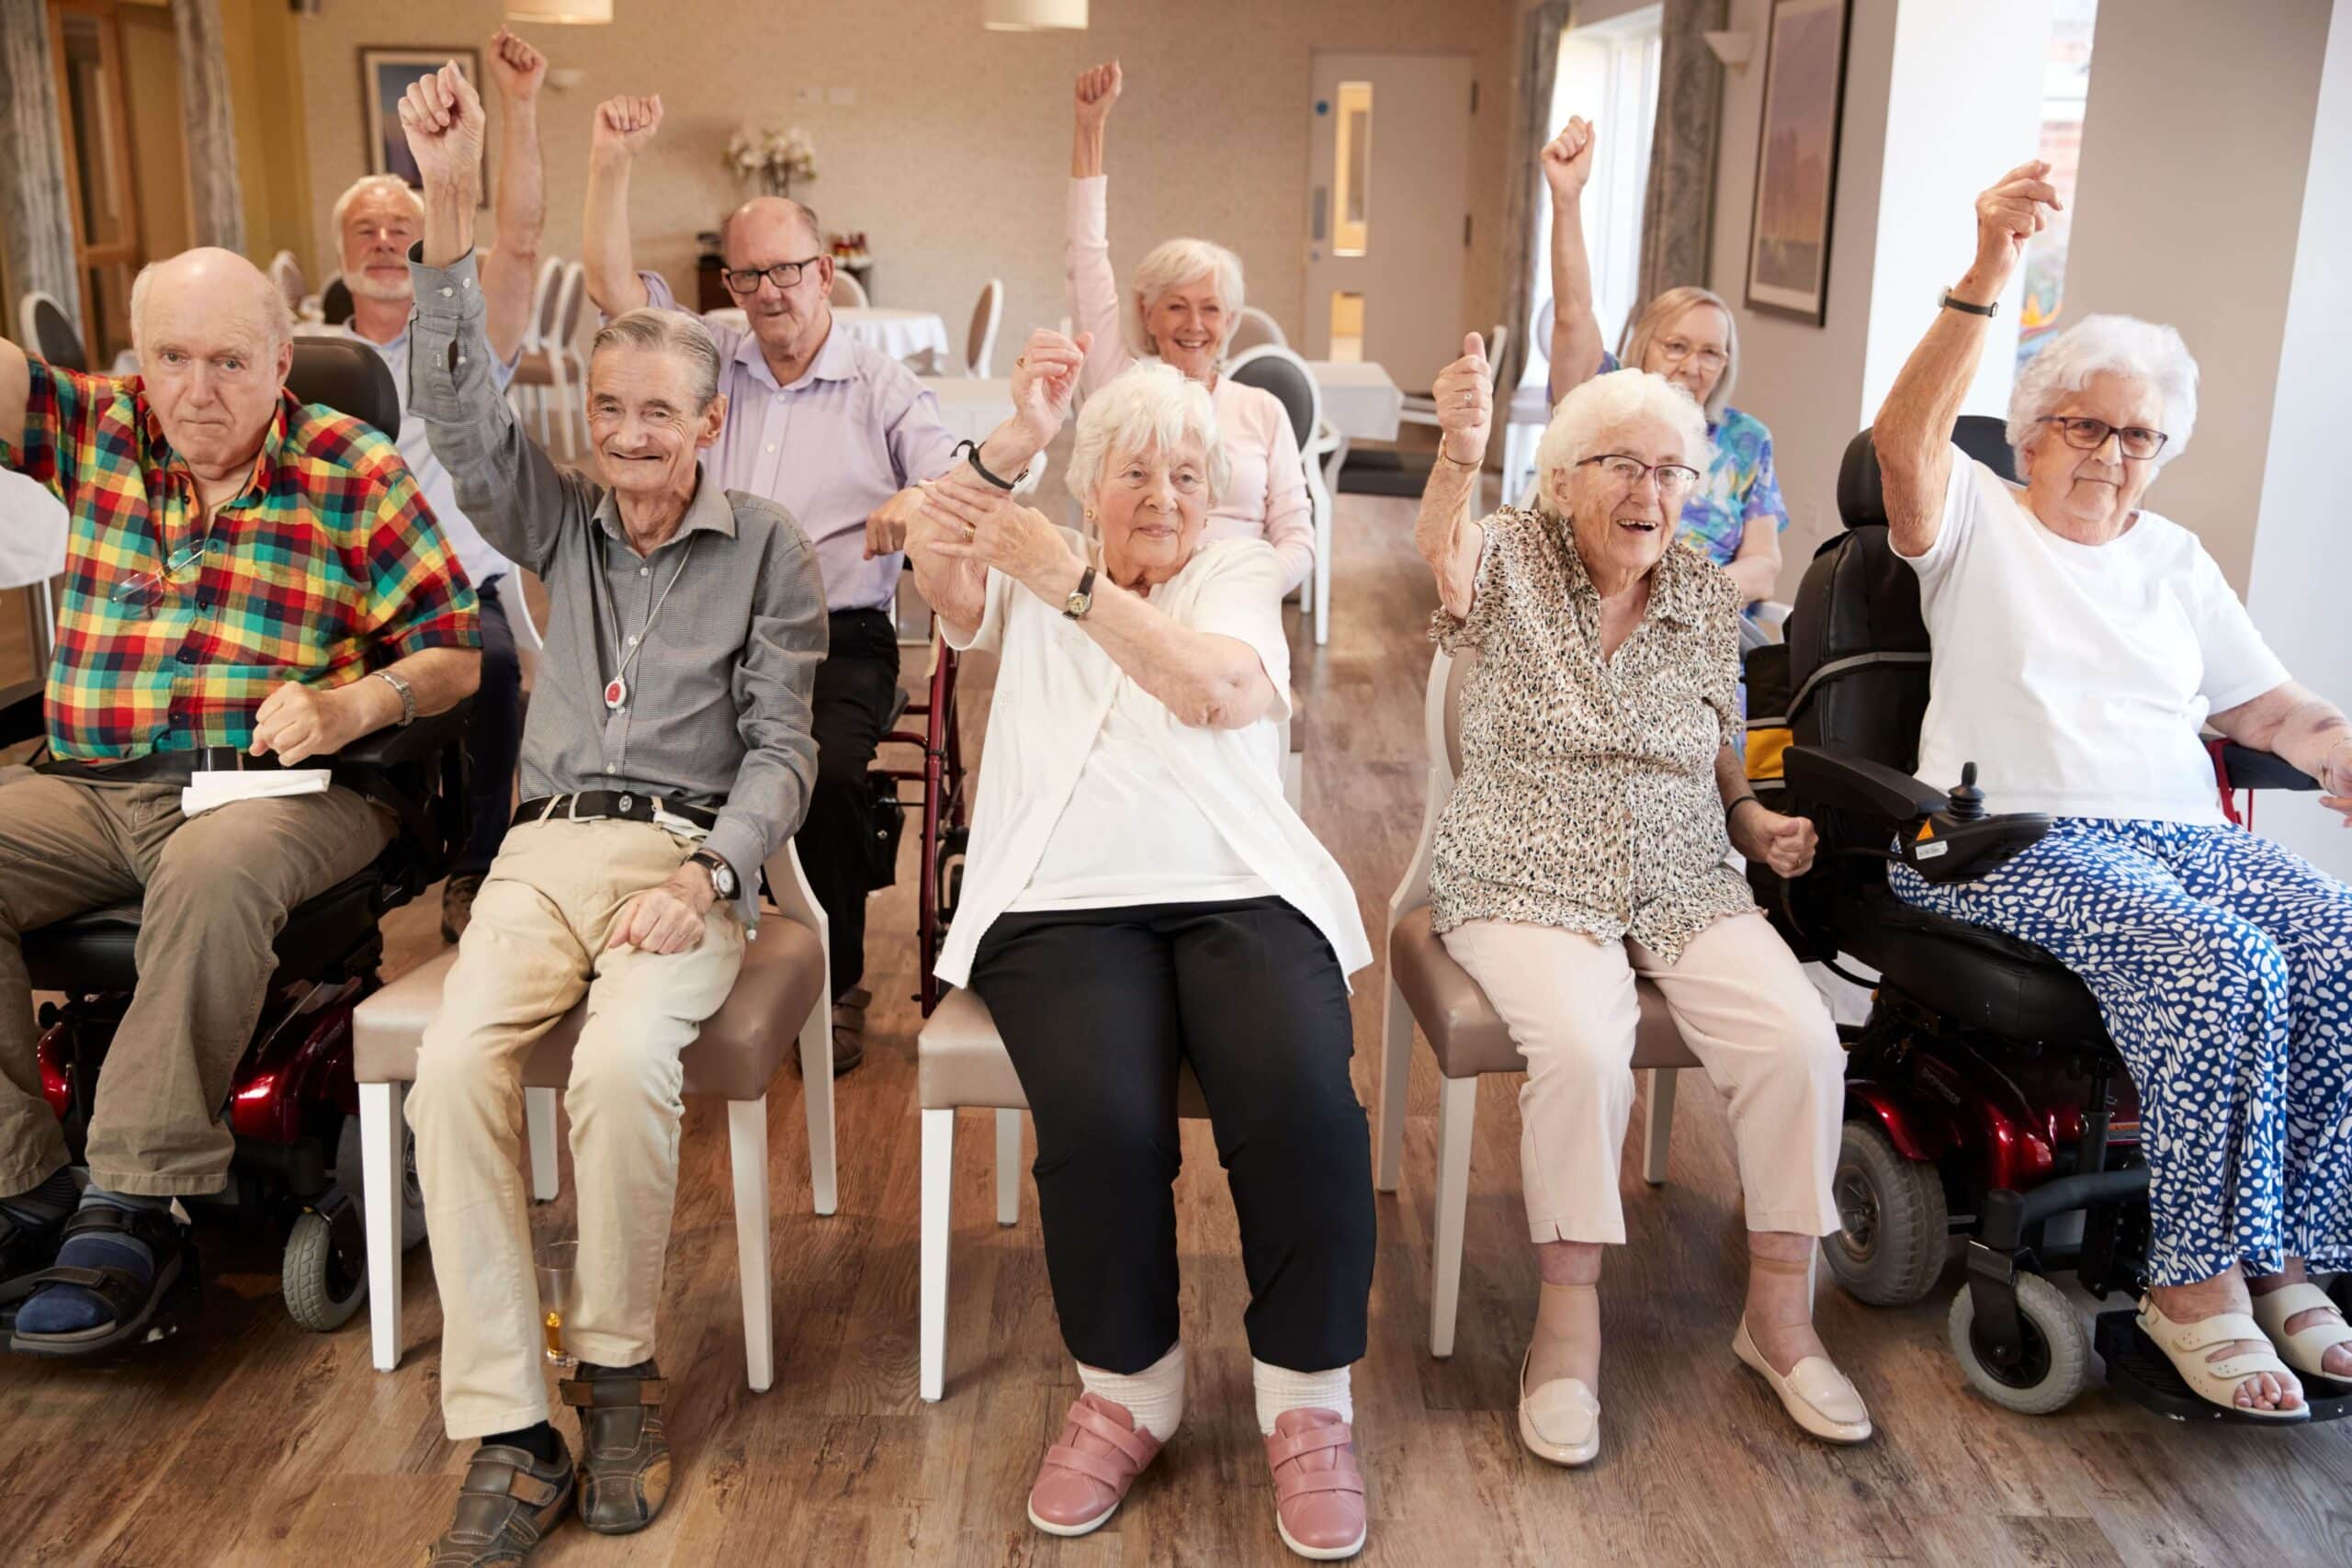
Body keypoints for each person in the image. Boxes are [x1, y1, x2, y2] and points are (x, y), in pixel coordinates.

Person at [391, 64, 831, 1562]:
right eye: (613, 407)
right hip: (546, 846)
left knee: (631, 1057)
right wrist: (448, 212)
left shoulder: (767, 548)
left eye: (663, 411)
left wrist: (710, 873)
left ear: (710, 428)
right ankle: (514, 1423)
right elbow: (455, 411)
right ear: (592, 417)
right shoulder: (558, 517)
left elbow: (786, 750)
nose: (634, 433)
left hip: (683, 853)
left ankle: (621, 1368)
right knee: (452, 1067)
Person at [1871, 162, 2352, 1420]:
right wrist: (1987, 269)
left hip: (2173, 830)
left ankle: (2287, 1251)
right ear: (2029, 430)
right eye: (2086, 423)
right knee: (2218, 961)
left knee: (2335, 940)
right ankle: (2192, 1286)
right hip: (2008, 834)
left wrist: (2339, 747)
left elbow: (2266, 709)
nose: (2111, 452)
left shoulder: (2176, 559)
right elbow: (1901, 441)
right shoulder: (1974, 520)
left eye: (2139, 434)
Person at [910, 358, 1375, 1562]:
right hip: (1059, 900)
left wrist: (1072, 585)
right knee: (1107, 1121)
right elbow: (938, 556)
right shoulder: (1031, 558)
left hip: (1238, 883)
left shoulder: (1234, 568)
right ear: (1090, 485)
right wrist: (1014, 437)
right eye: (1134, 470)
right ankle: (1129, 1386)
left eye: (1186, 472)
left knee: (1303, 1102)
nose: (1161, 494)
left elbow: (1214, 688)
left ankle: (1308, 1399)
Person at [0, 249, 478, 1354]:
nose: (197, 390)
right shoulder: (103, 430)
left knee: (212, 873)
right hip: (92, 786)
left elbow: (456, 652)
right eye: (171, 358)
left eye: (227, 361)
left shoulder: (348, 466)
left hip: (288, 789)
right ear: (138, 362)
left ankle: (133, 1201)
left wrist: (355, 704)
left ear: (279, 363)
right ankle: (25, 1189)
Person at [1416, 333, 1868, 1463]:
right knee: (1580, 1044)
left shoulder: (1708, 596)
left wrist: (1750, 818)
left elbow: (1716, 740)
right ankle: (1566, 1333)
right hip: (1525, 863)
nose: (1650, 493)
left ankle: (1780, 1317)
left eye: (1672, 473)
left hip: (1680, 869)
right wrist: (1460, 452)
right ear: (1564, 476)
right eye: (1624, 464)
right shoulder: (1512, 556)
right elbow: (1444, 551)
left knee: (1802, 1043)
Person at [582, 94, 1028, 1074]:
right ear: (731, 281)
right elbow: (616, 297)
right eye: (749, 274)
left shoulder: (880, 384)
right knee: (628, 757)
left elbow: (955, 476)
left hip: (837, 636)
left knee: (821, 777)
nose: (768, 291)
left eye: (788, 271)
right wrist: (613, 163)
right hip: (702, 622)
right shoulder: (713, 358)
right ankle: (671, 957)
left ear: (825, 274)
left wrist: (917, 501)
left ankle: (830, 983)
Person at [327, 25, 549, 943]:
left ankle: (480, 862)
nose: (383, 242)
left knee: (493, 666)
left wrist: (521, 108)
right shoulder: (304, 357)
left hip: (453, 586)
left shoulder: (463, 338)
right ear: (336, 247)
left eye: (401, 230)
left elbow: (524, 240)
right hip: (334, 592)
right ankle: (344, 867)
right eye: (364, 230)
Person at [1066, 61, 1315, 596]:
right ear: (1148, 315)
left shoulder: (1262, 411)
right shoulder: (1119, 387)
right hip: (1133, 599)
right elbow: (1085, 261)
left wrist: (1247, 587)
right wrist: (1091, 131)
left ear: (1231, 321)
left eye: (1210, 308)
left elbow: (1298, 536)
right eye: (1176, 306)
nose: (1194, 324)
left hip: (1232, 602)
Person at [1543, 118, 1787, 643]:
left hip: (1699, 623)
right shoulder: (1601, 398)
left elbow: (1764, 564)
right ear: (1645, 345)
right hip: (1593, 618)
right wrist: (1567, 200)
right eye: (1676, 346)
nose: (1692, 365)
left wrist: (1684, 594)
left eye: (1711, 353)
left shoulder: (1747, 440)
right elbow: (1573, 312)